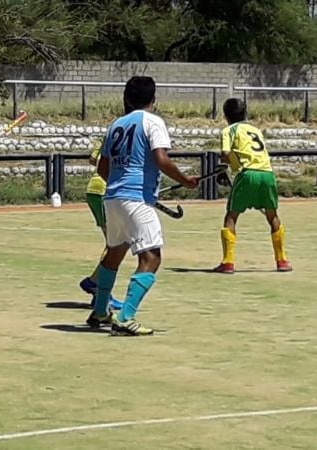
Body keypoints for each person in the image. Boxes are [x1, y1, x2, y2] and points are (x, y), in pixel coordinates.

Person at [87, 76, 199, 336]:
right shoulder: (153, 122)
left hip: (112, 198)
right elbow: (161, 159)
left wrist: (120, 186)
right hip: (135, 198)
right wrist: (185, 180)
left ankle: (100, 310)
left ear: (126, 98)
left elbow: (103, 167)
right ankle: (126, 317)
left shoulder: (116, 125)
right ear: (154, 99)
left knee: (114, 254)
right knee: (151, 257)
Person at [213, 98, 292, 274]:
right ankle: (282, 261)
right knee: (272, 215)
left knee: (231, 216)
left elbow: (226, 153)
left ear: (226, 116)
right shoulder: (255, 130)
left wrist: (226, 163)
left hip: (247, 173)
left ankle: (228, 262)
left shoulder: (228, 130)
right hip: (267, 173)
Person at [80, 140, 123, 311]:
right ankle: (96, 285)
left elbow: (92, 159)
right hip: (106, 190)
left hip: (94, 189)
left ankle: (98, 287)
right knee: (114, 245)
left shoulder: (108, 136)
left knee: (113, 243)